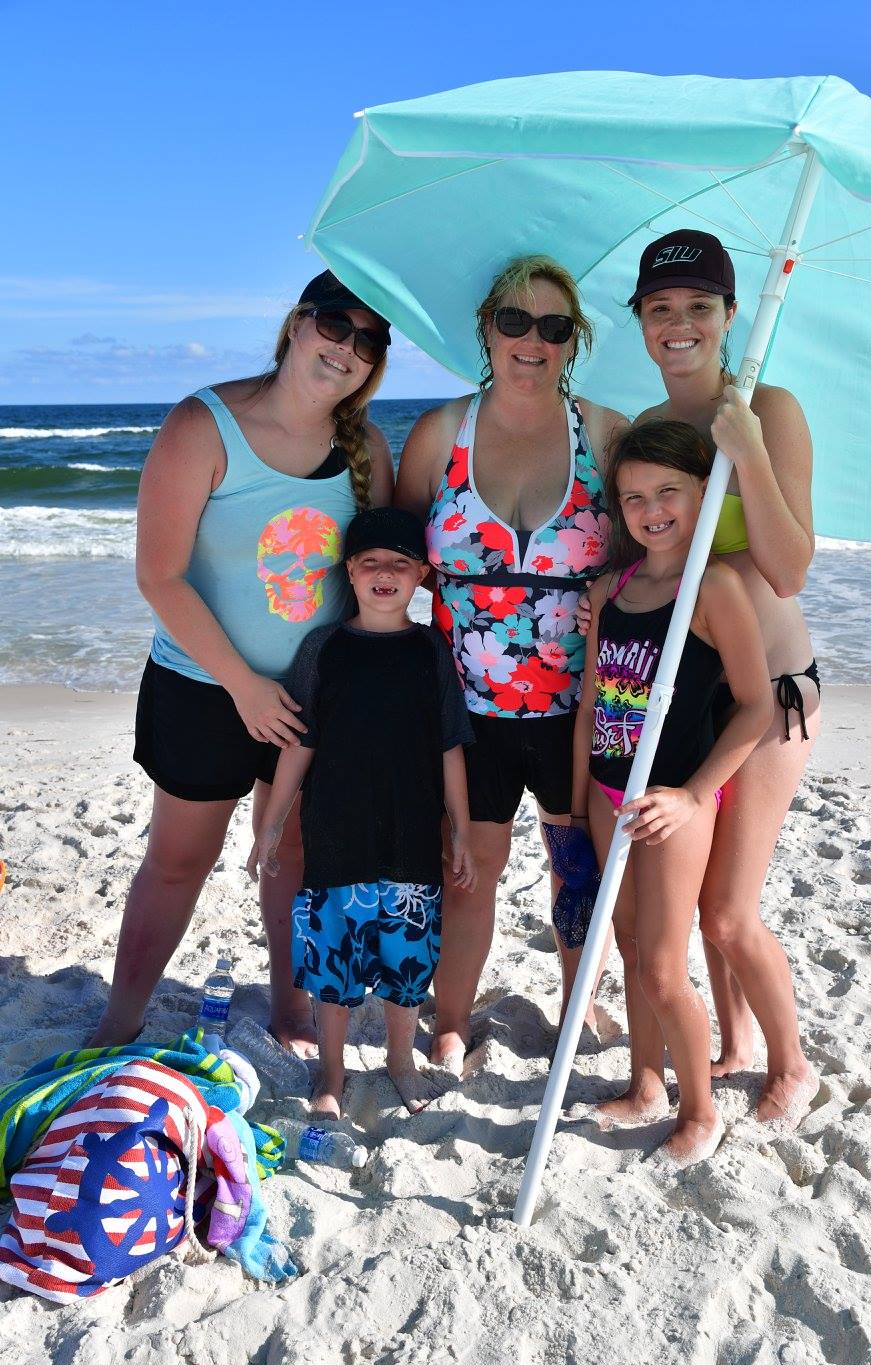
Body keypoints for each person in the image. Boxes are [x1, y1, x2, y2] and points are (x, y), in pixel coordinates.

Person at [88, 272, 394, 1053]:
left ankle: (290, 1013)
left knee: (290, 851)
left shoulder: (367, 449)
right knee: (177, 859)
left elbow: (376, 578)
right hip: (201, 686)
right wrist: (243, 685)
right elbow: (159, 575)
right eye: (334, 324)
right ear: (297, 323)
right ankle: (119, 1019)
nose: (346, 349)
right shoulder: (204, 424)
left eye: (368, 341)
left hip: (309, 700)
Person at [581, 227, 821, 1124]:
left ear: (728, 316)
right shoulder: (648, 434)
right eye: (660, 309)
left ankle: (791, 1066)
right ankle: (733, 1046)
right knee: (686, 896)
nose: (679, 324)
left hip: (770, 692)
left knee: (726, 912)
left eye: (699, 308)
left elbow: (790, 567)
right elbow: (636, 556)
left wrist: (749, 451)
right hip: (679, 698)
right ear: (642, 322)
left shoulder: (772, 408)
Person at [394, 254, 629, 1073]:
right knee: (471, 868)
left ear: (574, 342)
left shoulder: (604, 434)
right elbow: (389, 561)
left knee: (576, 870)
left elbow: (650, 555)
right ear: (488, 330)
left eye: (555, 327)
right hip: (467, 706)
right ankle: (452, 1019)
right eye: (515, 321)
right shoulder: (437, 434)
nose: (533, 339)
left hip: (579, 709)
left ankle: (577, 1005)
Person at [573, 420, 773, 1164]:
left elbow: (755, 705)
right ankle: (645, 1084)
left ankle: (700, 1110)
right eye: (632, 498)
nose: (651, 509)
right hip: (605, 786)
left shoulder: (713, 587)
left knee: (661, 964)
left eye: (668, 493)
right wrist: (574, 797)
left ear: (704, 495)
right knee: (624, 947)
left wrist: (693, 797)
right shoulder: (612, 588)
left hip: (674, 801)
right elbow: (594, 704)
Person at [247, 507, 476, 1115]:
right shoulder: (323, 647)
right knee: (333, 959)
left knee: (407, 957)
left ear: (422, 574)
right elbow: (299, 744)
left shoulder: (431, 649)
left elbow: (451, 745)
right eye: (370, 561)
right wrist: (270, 825)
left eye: (400, 563)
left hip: (412, 834)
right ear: (348, 571)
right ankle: (331, 1070)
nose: (384, 572)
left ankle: (400, 1060)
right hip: (335, 833)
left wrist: (460, 831)